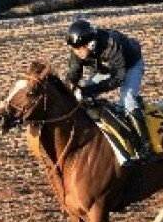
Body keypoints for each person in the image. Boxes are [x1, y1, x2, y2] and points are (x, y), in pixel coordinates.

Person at [65, 18, 152, 160]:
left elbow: (118, 78)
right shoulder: (77, 50)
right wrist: (69, 90)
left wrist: (89, 90)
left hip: (130, 67)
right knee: (82, 97)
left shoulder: (112, 44)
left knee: (128, 100)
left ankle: (145, 145)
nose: (76, 53)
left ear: (91, 44)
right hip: (104, 69)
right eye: (74, 49)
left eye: (79, 48)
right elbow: (74, 74)